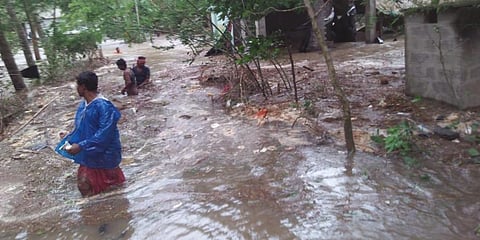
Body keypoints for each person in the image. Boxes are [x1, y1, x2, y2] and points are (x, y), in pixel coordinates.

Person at [56, 71, 125, 197]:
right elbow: (84, 128)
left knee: (99, 185)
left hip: (105, 154)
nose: (77, 89)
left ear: (83, 87)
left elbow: (104, 134)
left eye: (78, 85)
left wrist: (81, 146)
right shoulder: (83, 106)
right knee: (87, 186)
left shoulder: (103, 106)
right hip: (90, 152)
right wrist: (69, 137)